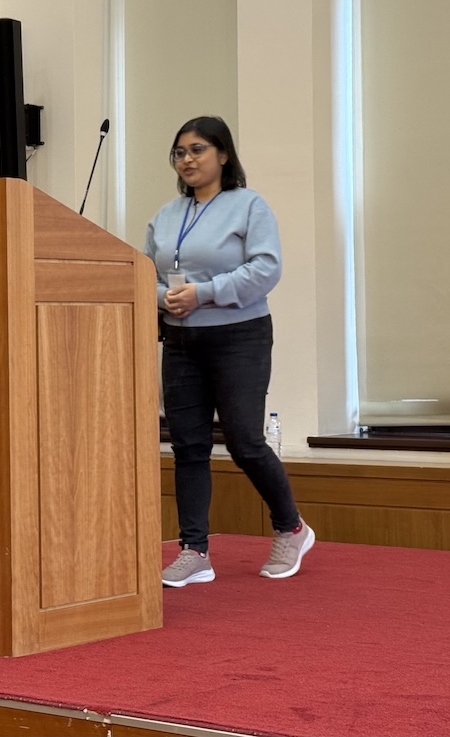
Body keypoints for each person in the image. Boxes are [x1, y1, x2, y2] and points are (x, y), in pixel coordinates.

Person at [144, 115, 314, 587]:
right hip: (181, 341)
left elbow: (266, 269)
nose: (187, 160)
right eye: (179, 152)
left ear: (222, 154)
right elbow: (144, 275)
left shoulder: (248, 205)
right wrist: (164, 298)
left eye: (197, 149)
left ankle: (291, 528)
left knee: (243, 440)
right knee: (188, 446)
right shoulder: (165, 216)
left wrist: (204, 293)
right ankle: (194, 550)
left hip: (239, 336)